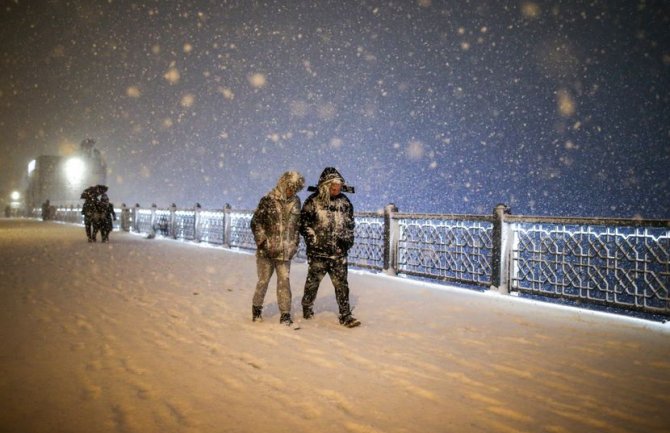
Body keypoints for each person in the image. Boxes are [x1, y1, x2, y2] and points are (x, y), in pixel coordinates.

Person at [300, 167, 360, 328]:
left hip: (338, 253)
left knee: (342, 285)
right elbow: (303, 224)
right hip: (318, 253)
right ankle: (307, 307)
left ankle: (346, 315)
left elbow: (350, 225)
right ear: (325, 186)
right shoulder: (313, 201)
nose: (336, 190)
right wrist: (313, 239)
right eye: (333, 187)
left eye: (338, 187)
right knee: (312, 283)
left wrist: (348, 240)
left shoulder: (345, 202)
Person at [250, 171, 305, 326]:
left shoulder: (296, 202)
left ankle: (285, 314)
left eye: (295, 189)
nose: (291, 191)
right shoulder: (268, 200)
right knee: (263, 281)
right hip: (266, 252)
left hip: (285, 251)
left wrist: (294, 244)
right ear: (283, 184)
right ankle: (256, 309)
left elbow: (296, 226)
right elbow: (256, 223)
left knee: (284, 282)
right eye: (290, 187)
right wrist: (263, 242)